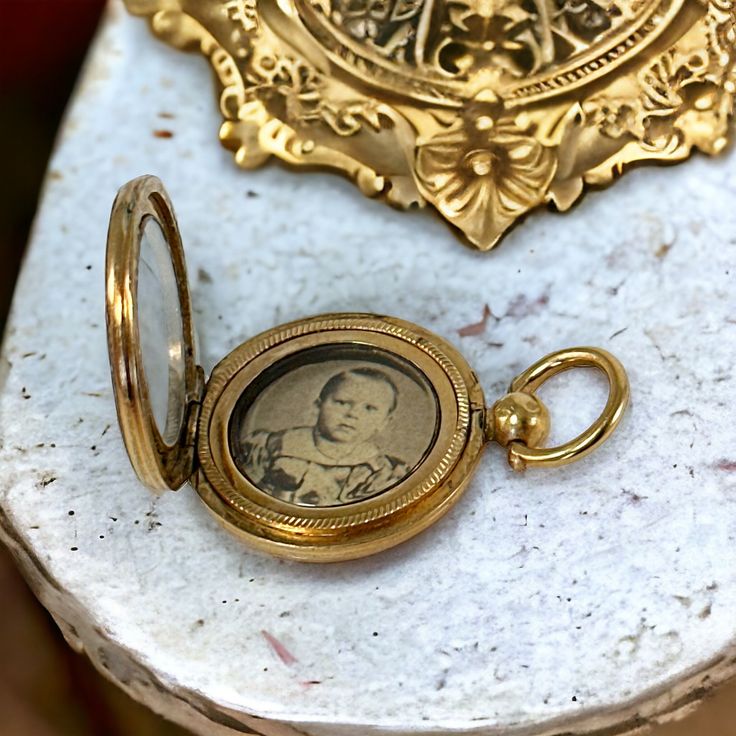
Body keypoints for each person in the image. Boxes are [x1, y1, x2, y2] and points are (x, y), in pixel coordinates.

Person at [237, 367, 410, 506]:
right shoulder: (273, 446)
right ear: (318, 406)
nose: (352, 414)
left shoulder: (381, 471)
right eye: (342, 403)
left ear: (385, 421)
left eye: (369, 409)